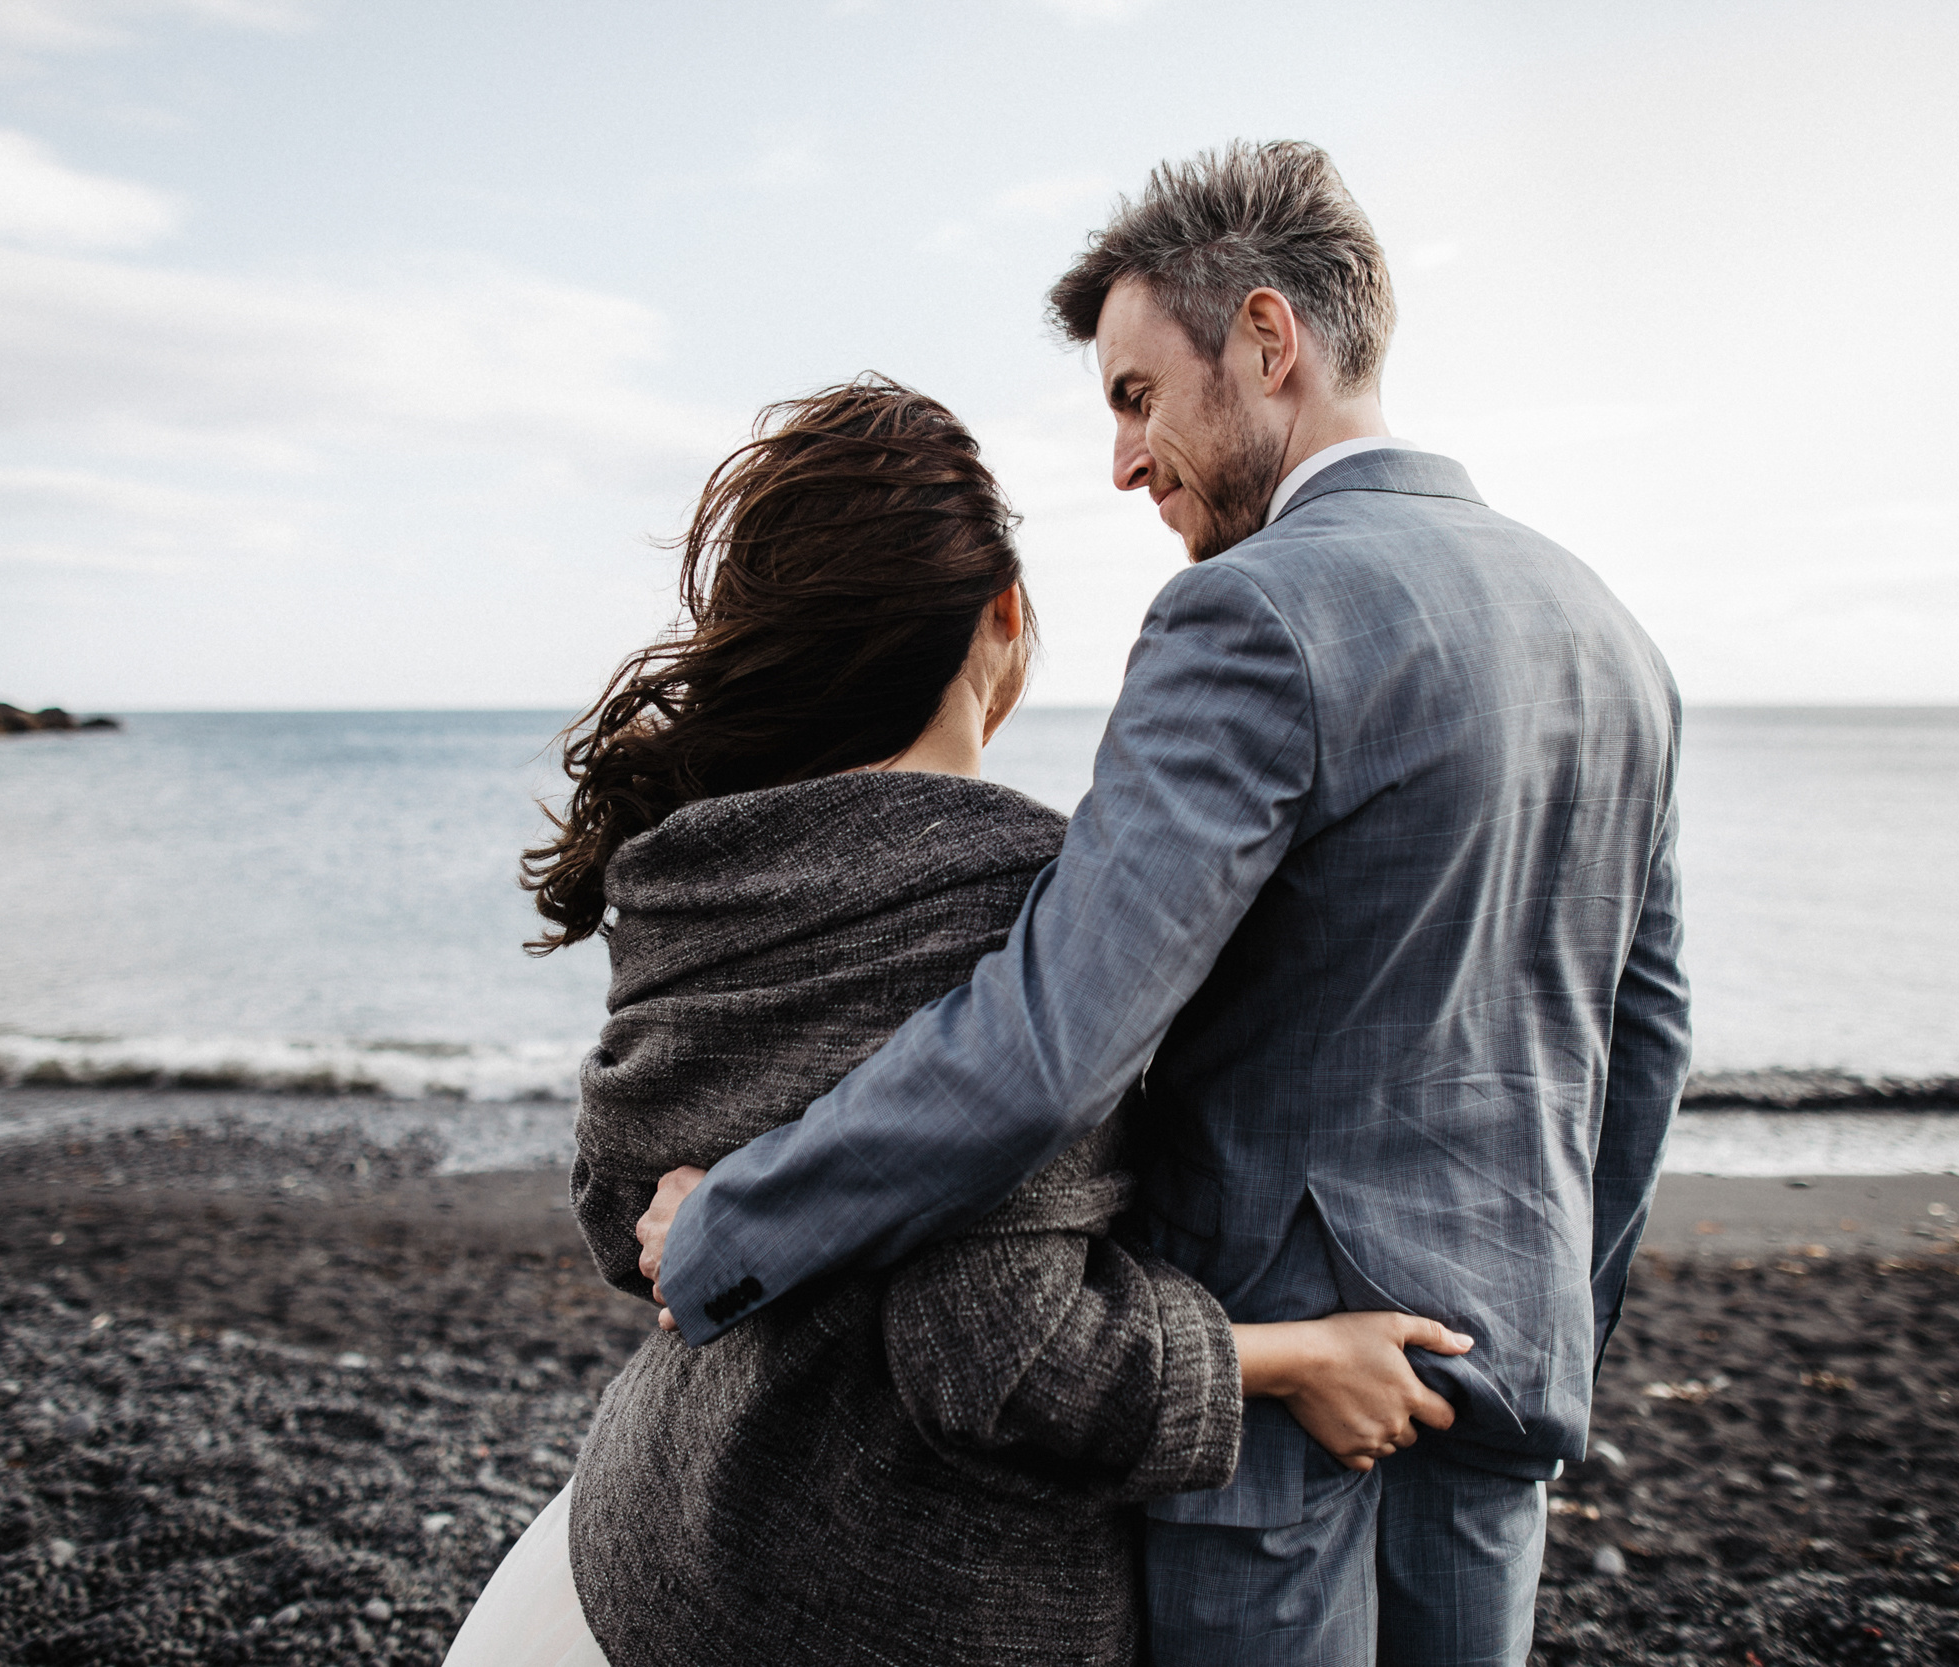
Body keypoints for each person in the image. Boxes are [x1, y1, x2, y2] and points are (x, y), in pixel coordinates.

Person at [635, 144, 1693, 1666]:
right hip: (1499, 1391)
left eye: (1138, 397)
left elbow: (1053, 1036)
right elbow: (1640, 1049)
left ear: (1269, 341)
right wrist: (1549, 1323)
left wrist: (738, 1219)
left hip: (1278, 1464)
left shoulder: (1251, 613)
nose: (1125, 463)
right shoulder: (1611, 634)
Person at [440, 376, 1455, 1667]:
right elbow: (1010, 1365)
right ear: (1006, 619)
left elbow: (620, 1214)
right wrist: (1302, 1359)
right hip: (892, 1606)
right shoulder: (1013, 908)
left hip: (663, 1539)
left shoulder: (694, 868)